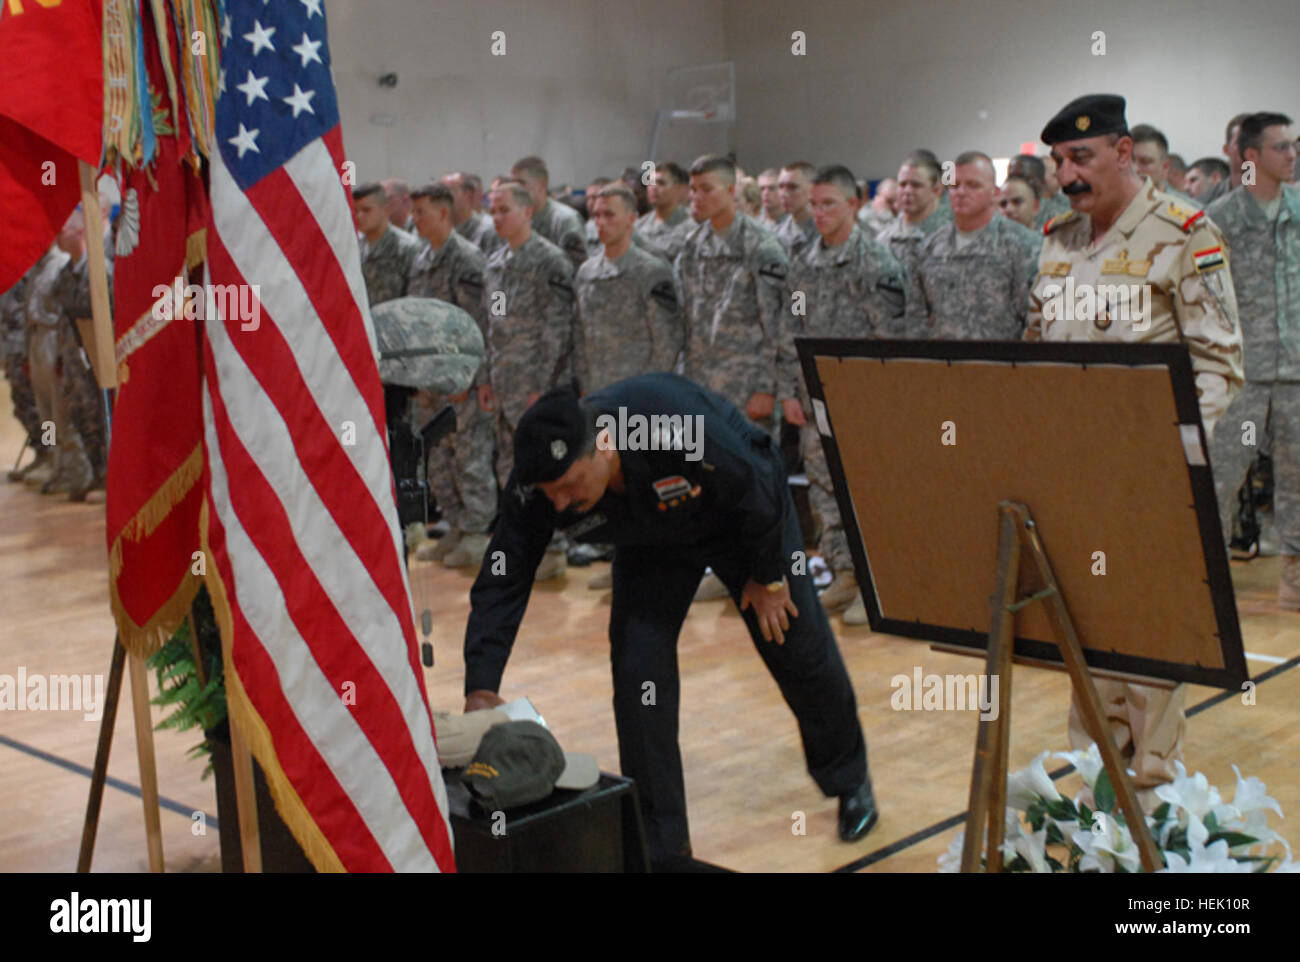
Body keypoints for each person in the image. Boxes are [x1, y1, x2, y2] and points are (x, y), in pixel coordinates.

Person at [460, 377, 879, 868]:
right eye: (551, 494)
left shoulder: (670, 429)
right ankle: (663, 844)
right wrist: (482, 685)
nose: (560, 505)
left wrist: (767, 577)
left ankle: (849, 778)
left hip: (737, 514)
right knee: (640, 676)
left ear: (605, 445)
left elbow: (758, 480)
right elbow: (503, 577)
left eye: (570, 487)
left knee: (794, 643)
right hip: (652, 543)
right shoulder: (540, 488)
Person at [1026, 93, 1243, 798]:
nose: (1067, 175)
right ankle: (1096, 777)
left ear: (1124, 153)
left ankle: (1150, 790)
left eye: (1081, 158)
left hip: (1145, 475)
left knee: (1147, 638)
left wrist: (1170, 457)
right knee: (1084, 630)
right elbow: (1034, 352)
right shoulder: (1058, 238)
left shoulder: (1186, 232)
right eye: (1059, 161)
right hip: (1066, 476)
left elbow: (1218, 365)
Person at [784, 165, 907, 625]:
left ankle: (875, 587)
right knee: (823, 488)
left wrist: (879, 403)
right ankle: (844, 575)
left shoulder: (875, 264)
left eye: (828, 203)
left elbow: (891, 341)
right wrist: (789, 390)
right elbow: (790, 327)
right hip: (814, 397)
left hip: (861, 400)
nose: (818, 213)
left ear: (854, 204)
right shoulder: (802, 262)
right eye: (813, 204)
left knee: (865, 492)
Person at [675, 154, 792, 601]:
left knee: (755, 479)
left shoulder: (761, 247)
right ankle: (724, 567)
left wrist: (768, 386)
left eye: (706, 189)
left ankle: (768, 570)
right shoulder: (692, 245)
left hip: (747, 386)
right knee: (710, 478)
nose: (696, 197)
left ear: (731, 191)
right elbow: (687, 320)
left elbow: (779, 323)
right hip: (705, 383)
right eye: (693, 189)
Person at [1207, 112, 1300, 604]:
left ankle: (1295, 571)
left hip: (1297, 375)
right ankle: (1209, 577)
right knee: (1222, 476)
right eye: (1281, 146)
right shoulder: (1219, 221)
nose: (1292, 154)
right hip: (1242, 378)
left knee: (1298, 477)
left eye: (1293, 145)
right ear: (1250, 156)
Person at [480, 179, 576, 581]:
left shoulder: (549, 261)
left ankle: (552, 549)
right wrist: (487, 377)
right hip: (504, 381)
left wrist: (544, 384)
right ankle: (519, 541)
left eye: (505, 210)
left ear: (528, 212)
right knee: (509, 466)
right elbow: (494, 324)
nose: (497, 218)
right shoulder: (496, 260)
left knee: (544, 467)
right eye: (493, 211)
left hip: (536, 383)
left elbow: (558, 330)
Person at [406, 183, 497, 569]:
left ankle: (478, 533)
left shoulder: (468, 260)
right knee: (439, 457)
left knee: (469, 457)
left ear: (444, 214)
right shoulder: (423, 258)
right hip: (429, 380)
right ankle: (456, 526)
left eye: (422, 211)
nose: (415, 219)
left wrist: (471, 377)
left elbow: (479, 324)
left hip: (458, 380)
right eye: (413, 212)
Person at [904, 151, 1041, 340]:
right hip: (941, 364)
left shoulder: (1024, 245)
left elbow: (1033, 320)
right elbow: (916, 317)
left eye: (973, 185)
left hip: (1000, 364)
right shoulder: (929, 248)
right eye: (954, 185)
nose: (961, 192)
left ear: (995, 193)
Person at [20, 241, 71, 491]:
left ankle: (65, 462)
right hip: (36, 338)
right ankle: (51, 457)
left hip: (52, 337)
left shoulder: (60, 263)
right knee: (44, 408)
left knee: (57, 406)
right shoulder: (36, 268)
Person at [511, 155, 588, 271]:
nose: (516, 190)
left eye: (521, 184)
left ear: (542, 184)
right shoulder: (516, 220)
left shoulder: (565, 220)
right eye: (513, 185)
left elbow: (577, 269)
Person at [876, 150, 947, 270]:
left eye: (916, 185)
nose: (907, 191)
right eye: (902, 184)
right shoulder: (885, 239)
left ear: (937, 190)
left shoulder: (950, 237)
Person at [353, 182, 421, 306]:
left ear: (386, 210)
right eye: (355, 211)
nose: (359, 216)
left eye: (366, 210)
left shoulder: (407, 248)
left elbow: (416, 300)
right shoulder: (354, 247)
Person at [634, 161, 693, 262]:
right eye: (650, 183)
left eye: (661, 183)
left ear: (677, 188)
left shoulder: (691, 225)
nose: (653, 188)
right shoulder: (639, 225)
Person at [1130, 124, 1197, 204]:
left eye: (1145, 162)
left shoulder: (1189, 211)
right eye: (1129, 161)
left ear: (1165, 167)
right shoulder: (1115, 209)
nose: (1135, 168)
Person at [442, 171, 503, 256]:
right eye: (440, 192)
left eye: (449, 192)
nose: (442, 198)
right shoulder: (439, 231)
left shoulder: (489, 231)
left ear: (468, 195)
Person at [774, 161, 819, 257]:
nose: (783, 194)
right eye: (781, 187)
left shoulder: (828, 234)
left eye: (792, 187)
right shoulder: (775, 233)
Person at [583, 177, 615, 258]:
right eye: (588, 198)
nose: (590, 203)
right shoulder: (584, 227)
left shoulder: (621, 225)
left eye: (594, 197)